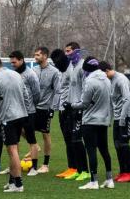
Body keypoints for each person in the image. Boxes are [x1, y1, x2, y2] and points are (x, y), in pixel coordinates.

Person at [68, 56, 113, 190]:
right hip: (104, 120)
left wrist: (71, 105)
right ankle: (109, 179)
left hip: (90, 121)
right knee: (104, 150)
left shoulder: (90, 81)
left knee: (91, 150)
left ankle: (94, 181)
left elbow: (84, 103)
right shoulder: (107, 79)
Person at [0, 55, 28, 193]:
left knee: (12, 150)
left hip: (8, 117)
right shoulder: (16, 74)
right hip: (21, 115)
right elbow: (26, 94)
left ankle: (18, 184)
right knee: (12, 149)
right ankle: (12, 181)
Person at [99, 61, 130, 183]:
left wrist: (122, 118)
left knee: (124, 144)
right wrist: (110, 119)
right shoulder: (110, 81)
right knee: (117, 145)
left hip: (127, 116)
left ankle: (128, 173)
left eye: (101, 74)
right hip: (117, 117)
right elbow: (112, 102)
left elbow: (127, 99)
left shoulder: (121, 80)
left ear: (106, 71)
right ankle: (122, 172)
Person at [9, 50, 40, 176]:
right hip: (16, 111)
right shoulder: (12, 74)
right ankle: (13, 168)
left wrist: (31, 106)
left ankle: (34, 168)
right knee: (14, 141)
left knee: (31, 140)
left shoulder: (30, 74)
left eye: (14, 62)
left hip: (29, 112)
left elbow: (37, 93)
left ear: (21, 60)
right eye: (11, 62)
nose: (12, 64)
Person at [63, 42, 89, 181]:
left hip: (79, 109)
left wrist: (79, 106)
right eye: (65, 51)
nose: (66, 54)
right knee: (73, 140)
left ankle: (86, 171)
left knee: (78, 140)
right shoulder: (71, 66)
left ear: (76, 51)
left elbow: (85, 88)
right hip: (71, 108)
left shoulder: (83, 66)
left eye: (69, 51)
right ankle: (78, 170)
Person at [33, 46, 61, 174]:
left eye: (38, 55)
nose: (35, 57)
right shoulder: (33, 70)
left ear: (45, 56)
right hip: (32, 107)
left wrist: (52, 108)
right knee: (22, 129)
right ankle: (35, 147)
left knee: (45, 135)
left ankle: (45, 164)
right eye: (35, 55)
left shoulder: (54, 72)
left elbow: (57, 91)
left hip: (45, 108)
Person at [50, 48, 77, 179]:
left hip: (70, 109)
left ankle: (76, 168)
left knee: (72, 139)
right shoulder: (60, 71)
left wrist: (71, 106)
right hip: (61, 109)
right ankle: (70, 167)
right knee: (67, 139)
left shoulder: (71, 71)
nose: (56, 65)